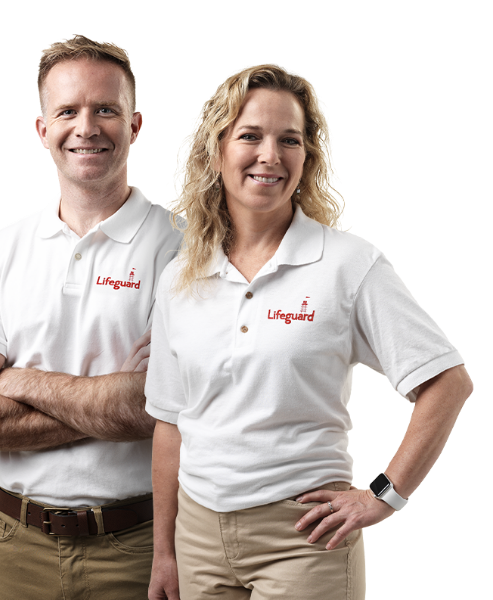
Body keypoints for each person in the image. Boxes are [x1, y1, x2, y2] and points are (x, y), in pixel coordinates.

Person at [144, 62, 473, 600]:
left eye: (289, 140)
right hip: (199, 536)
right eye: (250, 136)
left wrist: (385, 496)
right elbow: (170, 424)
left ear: (307, 157)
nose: (270, 156)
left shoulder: (347, 264)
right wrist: (165, 552)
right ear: (216, 151)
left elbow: (447, 381)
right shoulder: (181, 277)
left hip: (304, 534)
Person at [0, 34, 182, 600]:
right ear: (43, 129)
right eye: (67, 110)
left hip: (139, 542)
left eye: (106, 110)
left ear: (136, 125)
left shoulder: (181, 249)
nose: (87, 127)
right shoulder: (2, 250)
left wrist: (16, 381)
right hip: (14, 541)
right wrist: (113, 402)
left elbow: (162, 403)